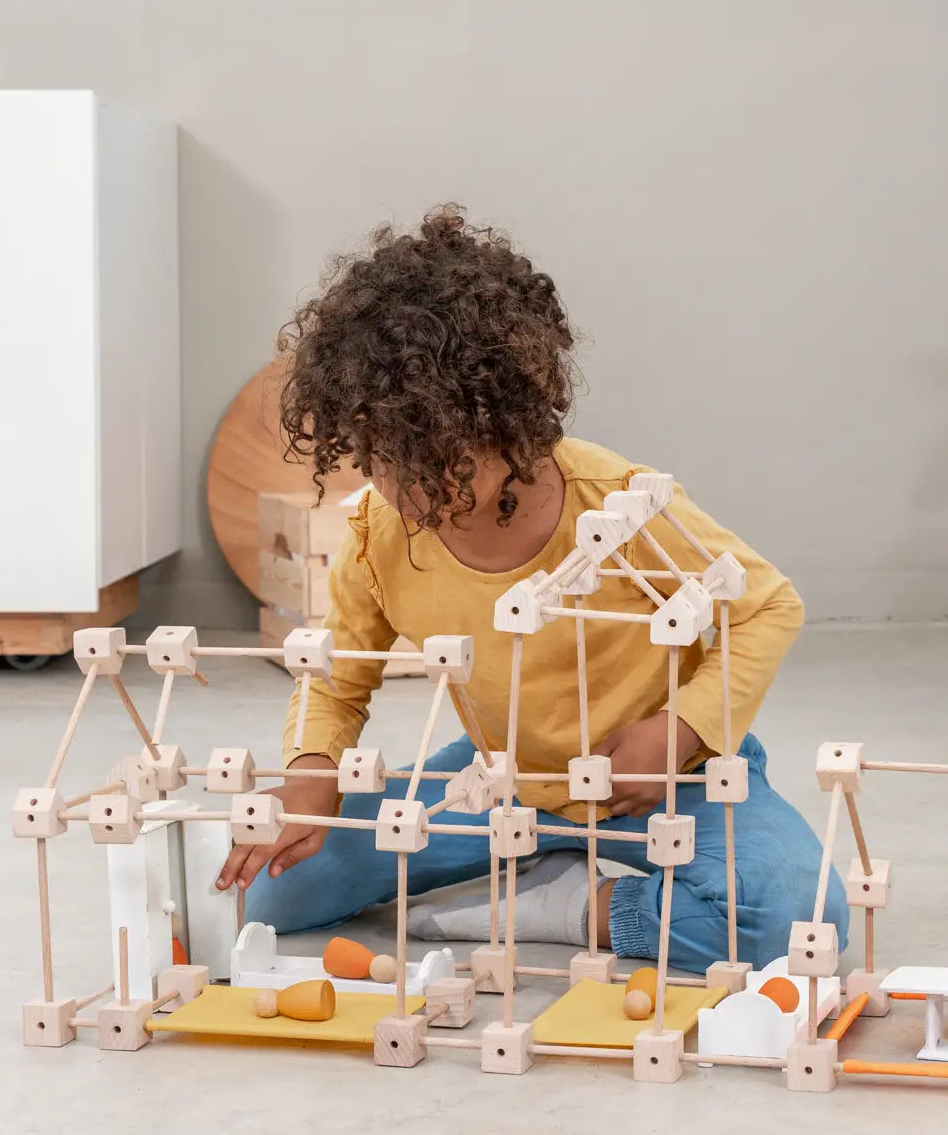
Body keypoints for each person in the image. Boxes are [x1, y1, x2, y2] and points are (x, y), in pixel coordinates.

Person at [216, 206, 847, 971]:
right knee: (264, 895)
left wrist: (679, 731)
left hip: (667, 778)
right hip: (498, 779)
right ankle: (527, 863)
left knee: (797, 922)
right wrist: (312, 772)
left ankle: (566, 904)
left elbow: (767, 604)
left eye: (434, 459)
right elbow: (339, 679)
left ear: (510, 426)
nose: (403, 485)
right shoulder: (377, 534)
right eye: (380, 454)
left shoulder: (619, 500)